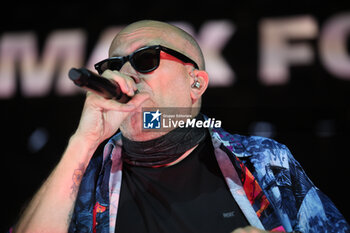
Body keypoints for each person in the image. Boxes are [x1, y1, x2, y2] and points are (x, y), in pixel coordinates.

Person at [13, 20, 349, 233]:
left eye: (146, 59)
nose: (125, 73)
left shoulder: (263, 162)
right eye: (113, 65)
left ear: (196, 83)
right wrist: (83, 142)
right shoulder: (86, 176)